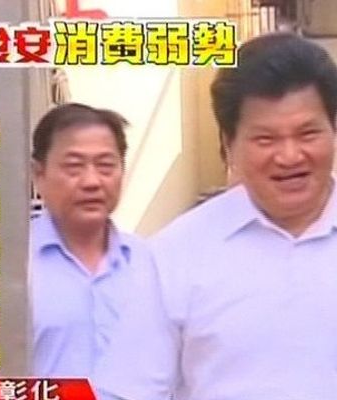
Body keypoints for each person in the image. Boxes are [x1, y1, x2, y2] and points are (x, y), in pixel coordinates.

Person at [94, 32, 337, 400]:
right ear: (228, 144)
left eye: (307, 134)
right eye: (266, 139)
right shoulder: (175, 254)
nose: (290, 156)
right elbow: (128, 390)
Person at [0, 103, 152, 399]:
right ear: (39, 174)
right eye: (74, 166)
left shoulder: (150, 264)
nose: (92, 181)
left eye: (105, 166)